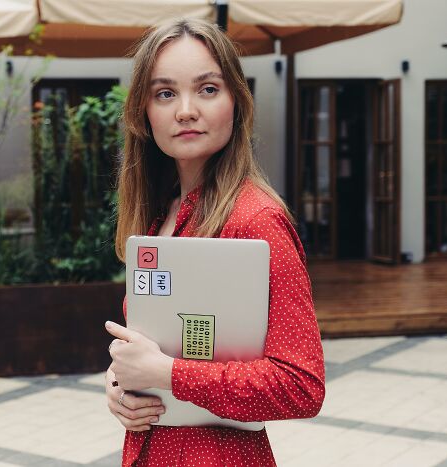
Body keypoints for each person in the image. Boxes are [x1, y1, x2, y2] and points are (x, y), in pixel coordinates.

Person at [104, 18, 325, 466]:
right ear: (144, 113)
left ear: (236, 103)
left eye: (207, 89)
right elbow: (159, 346)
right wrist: (121, 386)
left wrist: (167, 374)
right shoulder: (158, 214)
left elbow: (302, 386)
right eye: (165, 93)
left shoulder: (256, 220)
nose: (185, 110)